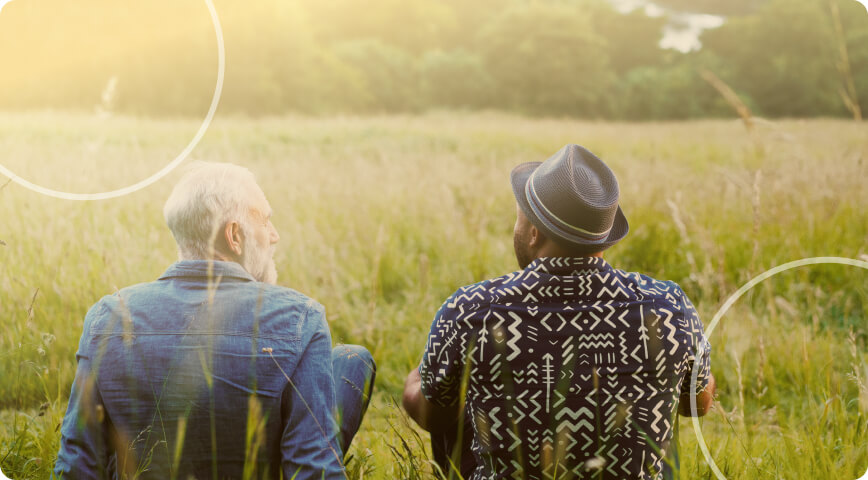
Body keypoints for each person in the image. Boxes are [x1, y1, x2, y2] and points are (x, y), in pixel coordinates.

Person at [403, 144, 716, 479]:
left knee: (457, 402)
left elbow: (432, 416)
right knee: (661, 408)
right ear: (603, 237)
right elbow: (697, 404)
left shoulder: (471, 310)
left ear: (534, 233)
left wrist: (419, 378)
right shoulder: (668, 306)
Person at [54, 162, 375, 480]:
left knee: (350, 361)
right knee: (350, 361)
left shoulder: (109, 316)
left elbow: (77, 465)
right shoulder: (302, 318)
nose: (274, 236)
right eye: (265, 221)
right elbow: (314, 473)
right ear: (234, 235)